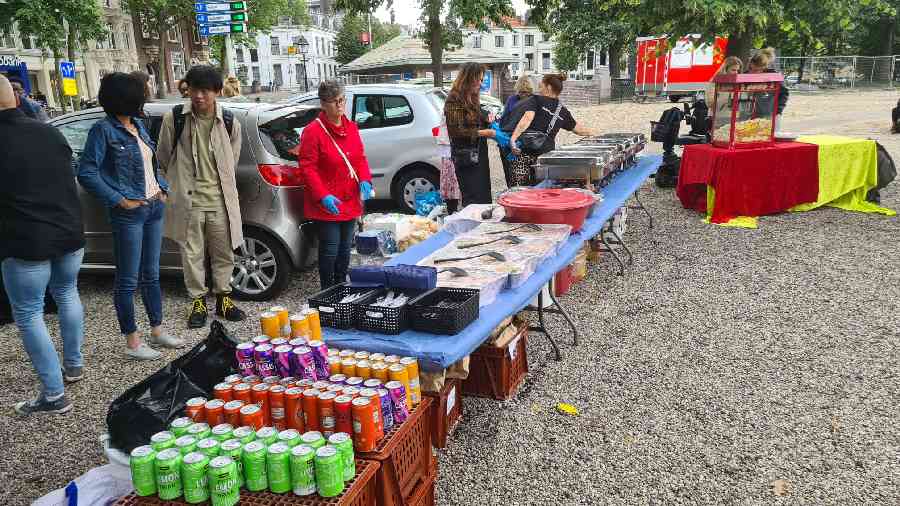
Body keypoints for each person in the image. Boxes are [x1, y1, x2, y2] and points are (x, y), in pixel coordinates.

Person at [77, 73, 183, 360]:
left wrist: (163, 188)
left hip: (153, 207)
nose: (144, 96)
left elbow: (152, 163)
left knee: (151, 273)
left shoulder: (138, 124)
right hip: (130, 214)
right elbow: (86, 171)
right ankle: (133, 341)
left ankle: (157, 330)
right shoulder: (103, 131)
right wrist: (119, 200)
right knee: (127, 279)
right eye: (140, 93)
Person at [0, 75, 85, 415]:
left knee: (29, 313)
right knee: (68, 292)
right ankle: (74, 366)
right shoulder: (49, 131)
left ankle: (53, 395)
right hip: (68, 233)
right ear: (17, 99)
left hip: (25, 241)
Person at [157, 65, 247, 328]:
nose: (198, 96)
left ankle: (223, 298)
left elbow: (232, 161)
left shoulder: (230, 122)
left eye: (205, 91)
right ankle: (197, 301)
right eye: (194, 90)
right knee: (191, 255)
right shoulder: (174, 118)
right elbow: (163, 157)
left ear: (217, 92)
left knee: (224, 253)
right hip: (189, 202)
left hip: (220, 201)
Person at [298, 80, 374, 290]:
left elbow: (360, 158)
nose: (340, 105)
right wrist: (322, 195)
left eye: (342, 100)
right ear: (323, 104)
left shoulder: (351, 127)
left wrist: (365, 180)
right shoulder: (313, 131)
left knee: (345, 247)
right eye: (334, 102)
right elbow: (308, 167)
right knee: (330, 247)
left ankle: (341, 283)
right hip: (328, 200)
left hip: (349, 196)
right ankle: (328, 288)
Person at [509, 74, 595, 186]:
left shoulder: (536, 100)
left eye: (541, 86)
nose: (539, 89)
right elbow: (578, 129)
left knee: (519, 190)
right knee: (542, 189)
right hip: (545, 156)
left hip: (524, 151)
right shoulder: (562, 111)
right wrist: (593, 134)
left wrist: (513, 139)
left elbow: (527, 119)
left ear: (548, 87)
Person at [444, 62, 496, 206]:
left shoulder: (472, 97)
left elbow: (476, 117)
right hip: (466, 157)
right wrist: (484, 132)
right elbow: (456, 131)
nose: (480, 83)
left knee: (484, 197)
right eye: (478, 79)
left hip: (479, 154)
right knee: (473, 198)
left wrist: (487, 117)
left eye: (481, 80)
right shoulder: (454, 99)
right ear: (468, 78)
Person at [747, 47, 789, 124]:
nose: (752, 72)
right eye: (750, 69)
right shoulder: (747, 74)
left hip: (770, 116)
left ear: (764, 68)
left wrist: (778, 112)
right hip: (752, 116)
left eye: (756, 70)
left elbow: (784, 94)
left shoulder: (775, 78)